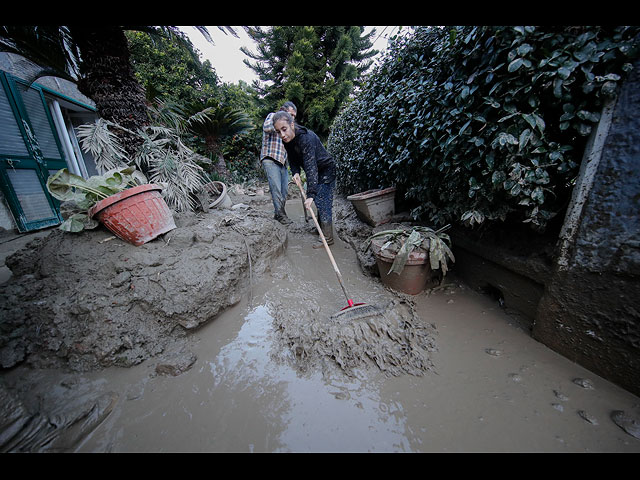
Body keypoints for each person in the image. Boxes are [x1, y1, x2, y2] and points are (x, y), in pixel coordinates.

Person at [273, 110, 336, 248]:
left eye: (284, 129)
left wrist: (310, 194)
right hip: (316, 171)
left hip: (326, 170)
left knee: (322, 202)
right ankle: (320, 228)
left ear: (292, 124)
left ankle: (327, 238)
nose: (282, 135)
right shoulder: (288, 141)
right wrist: (295, 172)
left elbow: (310, 166)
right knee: (319, 201)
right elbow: (292, 158)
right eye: (278, 132)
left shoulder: (306, 138)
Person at [261, 102, 297, 225]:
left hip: (282, 162)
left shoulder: (289, 128)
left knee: (284, 191)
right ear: (283, 110)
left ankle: (279, 214)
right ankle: (282, 216)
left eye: (293, 116)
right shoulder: (272, 116)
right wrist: (281, 123)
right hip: (270, 158)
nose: (292, 117)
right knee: (276, 189)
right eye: (290, 114)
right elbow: (266, 127)